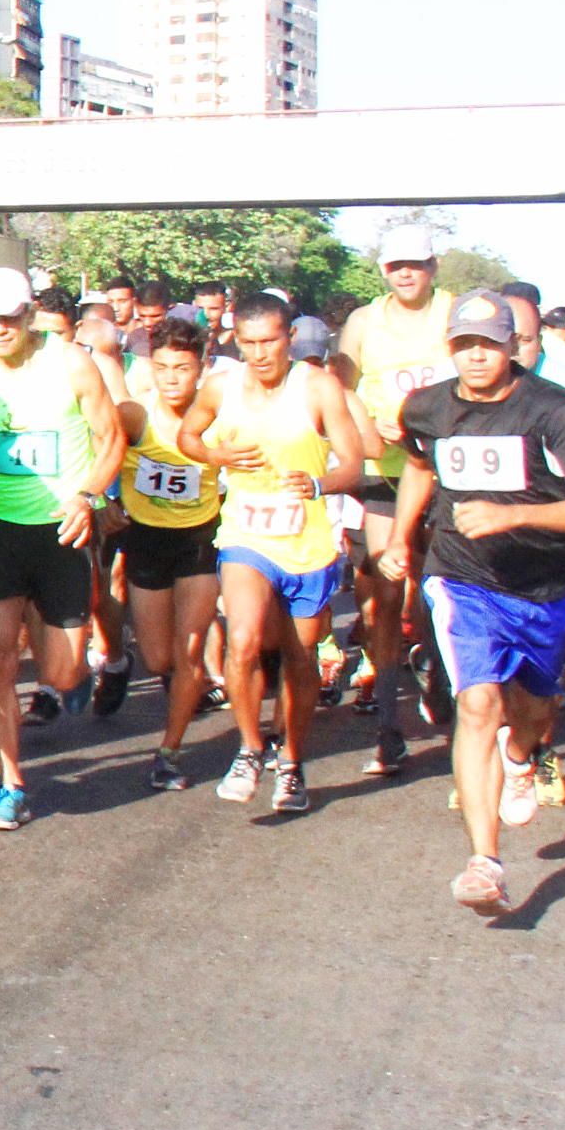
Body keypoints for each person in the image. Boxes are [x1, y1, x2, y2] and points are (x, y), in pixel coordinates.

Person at [376, 289, 565, 915]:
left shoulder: (553, 408)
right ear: (450, 347)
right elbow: (419, 465)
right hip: (461, 577)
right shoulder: (427, 406)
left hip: (544, 585)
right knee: (477, 704)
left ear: (511, 346)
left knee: (532, 709)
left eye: (488, 343)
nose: (475, 356)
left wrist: (509, 516)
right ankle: (485, 863)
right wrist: (401, 536)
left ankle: (523, 754)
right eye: (463, 344)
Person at [0, 267, 122, 831]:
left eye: (6, 319)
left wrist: (89, 498)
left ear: (28, 316)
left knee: (63, 674)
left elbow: (111, 438)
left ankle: (77, 668)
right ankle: (10, 786)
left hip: (60, 530)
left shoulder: (70, 361)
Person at [178, 294, 364, 810]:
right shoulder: (222, 386)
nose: (260, 354)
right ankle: (249, 749)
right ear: (237, 340)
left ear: (290, 340)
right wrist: (215, 455)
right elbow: (187, 434)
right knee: (243, 638)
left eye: (270, 342)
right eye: (250, 342)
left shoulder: (319, 387)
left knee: (301, 661)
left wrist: (320, 483)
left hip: (307, 541)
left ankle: (292, 763)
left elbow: (355, 464)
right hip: (245, 533)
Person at [338, 224, 454, 773]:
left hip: (451, 476)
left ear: (434, 265)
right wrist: (369, 426)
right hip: (385, 475)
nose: (405, 273)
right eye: (394, 266)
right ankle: (388, 726)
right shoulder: (364, 322)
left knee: (444, 592)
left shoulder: (457, 313)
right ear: (382, 270)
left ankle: (437, 668)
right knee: (383, 594)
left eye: (416, 263)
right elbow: (338, 387)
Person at [117, 316, 224, 790]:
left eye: (182, 368)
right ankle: (179, 682)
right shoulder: (135, 415)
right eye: (162, 368)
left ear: (200, 368)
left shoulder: (217, 418)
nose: (172, 379)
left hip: (199, 540)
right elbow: (95, 452)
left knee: (188, 651)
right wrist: (102, 503)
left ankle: (169, 751)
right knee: (158, 658)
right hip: (147, 540)